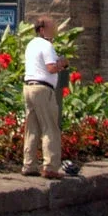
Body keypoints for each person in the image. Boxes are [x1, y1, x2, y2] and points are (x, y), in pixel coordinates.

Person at [22, 14, 69, 179]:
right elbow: (51, 68)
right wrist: (62, 63)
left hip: (29, 87)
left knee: (32, 127)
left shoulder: (31, 44)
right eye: (51, 27)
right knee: (50, 127)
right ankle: (50, 166)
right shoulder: (46, 45)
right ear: (42, 30)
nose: (54, 29)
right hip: (43, 89)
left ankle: (29, 164)